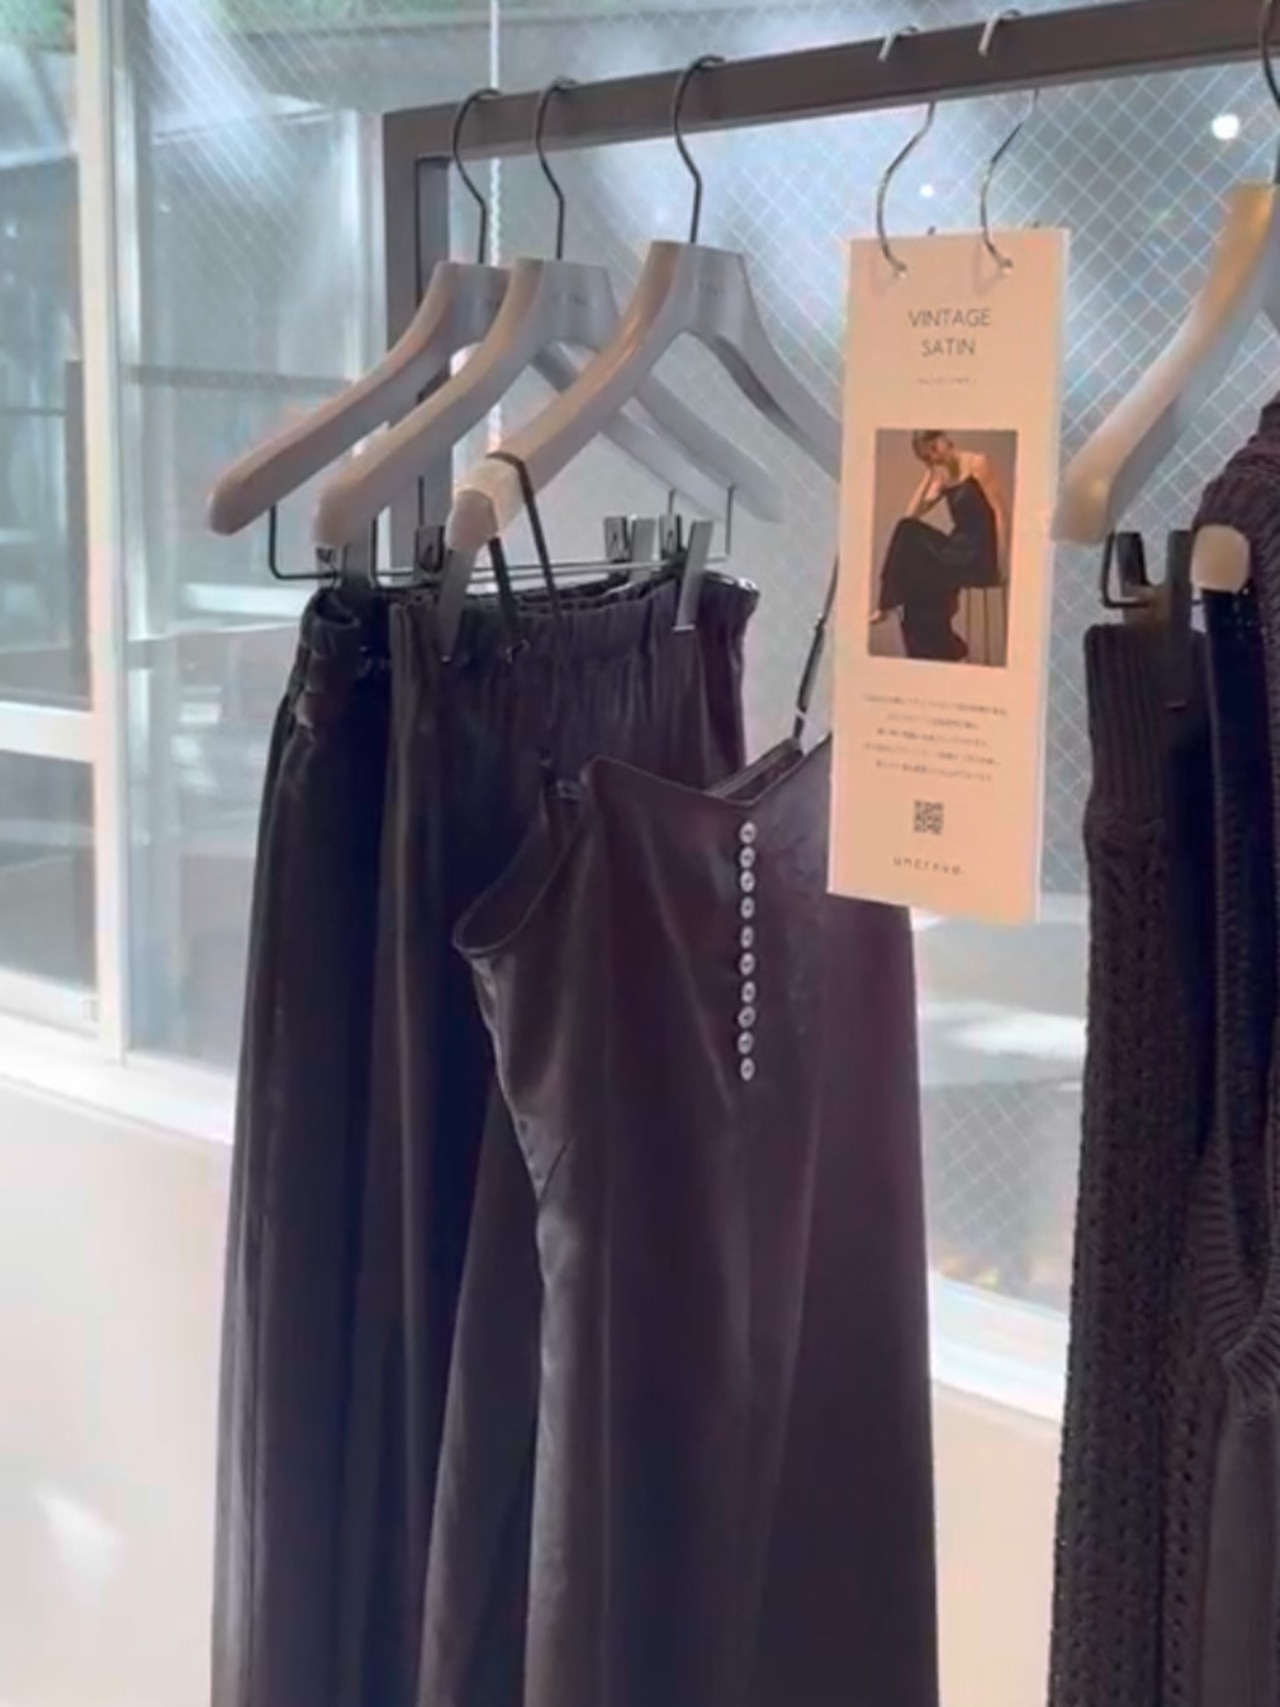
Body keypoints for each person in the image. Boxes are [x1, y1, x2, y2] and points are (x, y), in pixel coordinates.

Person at [871, 431, 1007, 663]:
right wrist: (928, 476)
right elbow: (910, 517)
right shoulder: (944, 479)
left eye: (934, 449)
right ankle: (944, 652)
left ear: (944, 439)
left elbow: (1000, 513)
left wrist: (1002, 565)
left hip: (978, 552)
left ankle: (886, 606)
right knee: (915, 570)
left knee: (917, 558)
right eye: (927, 457)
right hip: (958, 548)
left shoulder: (978, 464)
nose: (934, 457)